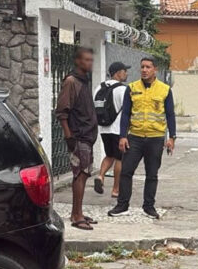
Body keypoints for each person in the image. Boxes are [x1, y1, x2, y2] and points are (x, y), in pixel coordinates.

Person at [108, 57, 176, 220]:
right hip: (135, 138)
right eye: (142, 67)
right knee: (126, 172)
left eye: (148, 67)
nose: (144, 70)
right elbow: (125, 114)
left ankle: (149, 207)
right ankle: (122, 205)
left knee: (152, 174)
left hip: (155, 138)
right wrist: (123, 136)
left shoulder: (165, 90)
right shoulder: (132, 88)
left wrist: (172, 137)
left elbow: (170, 115)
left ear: (155, 70)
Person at [55, 47, 99, 230]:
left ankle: (77, 212)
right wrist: (69, 136)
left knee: (85, 173)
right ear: (78, 61)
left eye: (91, 60)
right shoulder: (71, 81)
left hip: (87, 135)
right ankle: (76, 216)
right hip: (78, 135)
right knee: (79, 174)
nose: (89, 63)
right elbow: (62, 111)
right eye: (86, 60)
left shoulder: (84, 80)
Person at [94, 61, 130, 199]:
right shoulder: (123, 89)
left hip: (104, 129)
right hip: (118, 130)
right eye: (124, 71)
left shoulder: (99, 87)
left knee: (109, 155)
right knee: (120, 158)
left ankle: (100, 176)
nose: (126, 74)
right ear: (118, 73)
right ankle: (116, 189)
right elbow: (127, 111)